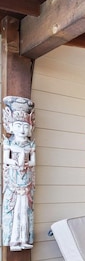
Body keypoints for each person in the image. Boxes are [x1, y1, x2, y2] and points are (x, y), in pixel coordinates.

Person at [2, 96, 36, 251]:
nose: (22, 129)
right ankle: (13, 239)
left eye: (25, 126)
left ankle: (25, 238)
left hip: (26, 180)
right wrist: (15, 163)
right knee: (15, 210)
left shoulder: (30, 144)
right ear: (10, 126)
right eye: (18, 125)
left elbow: (33, 161)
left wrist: (28, 163)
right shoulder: (9, 143)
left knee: (26, 210)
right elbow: (6, 160)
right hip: (14, 179)